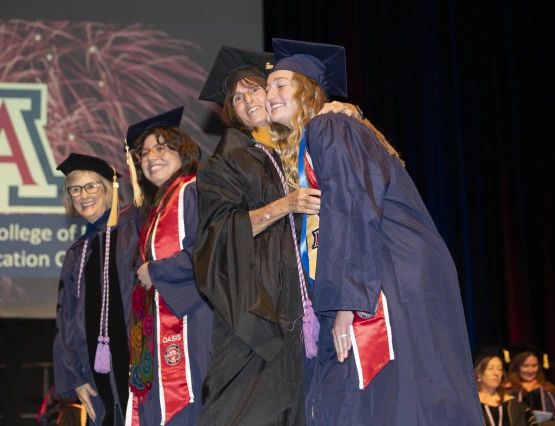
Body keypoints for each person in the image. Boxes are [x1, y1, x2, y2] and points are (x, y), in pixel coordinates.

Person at [265, 38, 484, 425]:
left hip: (384, 273)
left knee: (377, 393)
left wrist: (347, 301)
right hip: (395, 272)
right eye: (268, 88)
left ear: (308, 89)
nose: (270, 95)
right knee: (412, 390)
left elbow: (351, 206)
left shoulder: (328, 126)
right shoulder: (331, 131)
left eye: (281, 84)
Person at [194, 45, 359, 425]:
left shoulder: (297, 144)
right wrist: (285, 205)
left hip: (308, 309)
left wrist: (344, 110)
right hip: (256, 314)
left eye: (255, 89)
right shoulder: (226, 160)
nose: (248, 99)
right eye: (236, 96)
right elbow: (215, 236)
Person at [123, 107, 212, 426]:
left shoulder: (193, 190)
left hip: (188, 322)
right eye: (144, 153)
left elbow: (207, 252)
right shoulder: (161, 203)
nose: (150, 157)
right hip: (162, 322)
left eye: (161, 148)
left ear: (182, 149)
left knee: (184, 406)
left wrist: (155, 272)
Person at [53, 153, 139, 426]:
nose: (83, 195)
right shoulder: (78, 253)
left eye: (91, 186)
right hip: (95, 375)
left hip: (141, 362)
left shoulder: (137, 227)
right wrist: (74, 378)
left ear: (108, 188)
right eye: (75, 189)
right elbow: (65, 320)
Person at [474, 347, 536, 426]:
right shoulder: (471, 404)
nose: (496, 373)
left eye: (500, 369)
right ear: (479, 373)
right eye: (490, 368)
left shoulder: (513, 404)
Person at [506, 344, 555, 421]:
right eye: (525, 366)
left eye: (534, 365)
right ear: (517, 368)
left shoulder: (549, 391)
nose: (530, 370)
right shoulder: (508, 391)